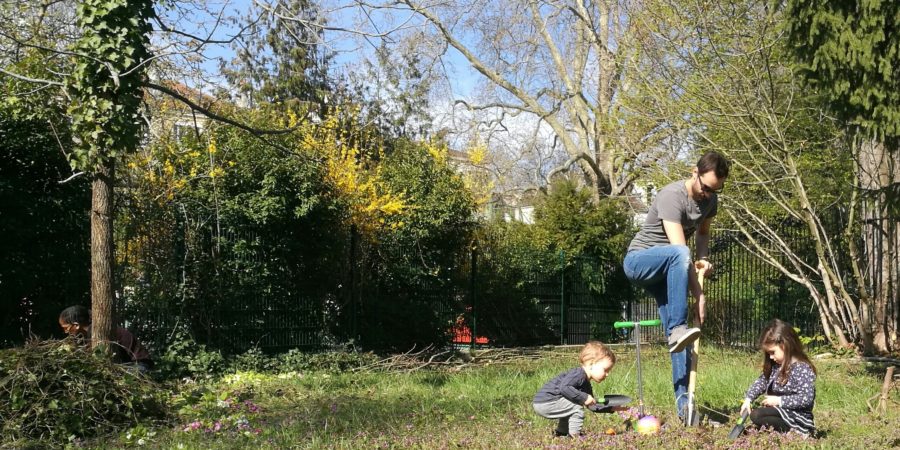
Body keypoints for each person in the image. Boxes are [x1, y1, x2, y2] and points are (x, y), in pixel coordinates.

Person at [623, 151, 729, 417]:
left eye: (716, 190)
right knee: (680, 257)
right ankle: (678, 328)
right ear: (694, 172)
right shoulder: (671, 196)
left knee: (680, 342)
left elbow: (702, 234)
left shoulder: (710, 200)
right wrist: (699, 295)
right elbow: (680, 249)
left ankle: (686, 409)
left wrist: (704, 259)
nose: (708, 195)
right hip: (640, 262)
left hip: (669, 271)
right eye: (705, 188)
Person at [740, 319, 817, 436]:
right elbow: (762, 382)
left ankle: (799, 431)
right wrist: (748, 399)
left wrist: (779, 401)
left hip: (797, 416)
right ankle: (778, 431)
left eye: (772, 352)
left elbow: (806, 398)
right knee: (757, 414)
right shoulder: (776, 366)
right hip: (781, 412)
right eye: (768, 353)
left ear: (785, 345)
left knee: (757, 415)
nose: (770, 357)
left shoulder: (802, 368)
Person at [532, 341, 624, 437]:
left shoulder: (585, 382)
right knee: (576, 407)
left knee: (571, 405)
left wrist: (610, 408)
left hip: (544, 403)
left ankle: (561, 433)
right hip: (546, 402)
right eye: (605, 370)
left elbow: (592, 405)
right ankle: (575, 437)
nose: (607, 374)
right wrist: (584, 398)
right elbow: (564, 387)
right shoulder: (578, 374)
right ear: (591, 364)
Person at [58, 305, 153, 374]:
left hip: (139, 365)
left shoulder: (98, 332)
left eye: (66, 328)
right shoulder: (86, 335)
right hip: (125, 365)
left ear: (76, 325)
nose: (66, 332)